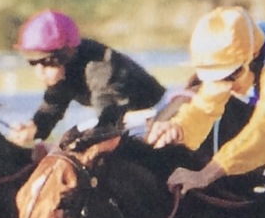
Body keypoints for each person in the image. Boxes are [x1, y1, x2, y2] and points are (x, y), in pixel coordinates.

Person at [146, 6, 265, 194]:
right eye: (214, 78)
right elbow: (206, 106)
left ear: (253, 55)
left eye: (228, 76)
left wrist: (206, 174)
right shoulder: (244, 48)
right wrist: (179, 128)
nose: (225, 87)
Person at [9, 9, 166, 146]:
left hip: (156, 114)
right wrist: (34, 128)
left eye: (47, 62)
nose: (40, 71)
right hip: (124, 117)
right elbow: (53, 105)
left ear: (66, 54)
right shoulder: (64, 68)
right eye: (33, 62)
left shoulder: (100, 66)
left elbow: (107, 121)